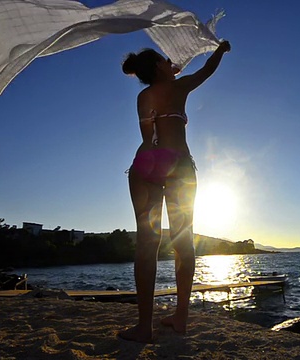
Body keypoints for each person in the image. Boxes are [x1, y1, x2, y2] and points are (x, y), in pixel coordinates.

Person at [118, 40, 231, 343]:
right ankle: (181, 317)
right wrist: (220, 50)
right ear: (158, 66)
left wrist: (167, 73)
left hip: (147, 164)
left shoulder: (144, 95)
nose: (172, 63)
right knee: (183, 242)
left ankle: (144, 327)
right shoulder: (179, 88)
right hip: (179, 165)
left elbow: (148, 136)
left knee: (146, 245)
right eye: (166, 61)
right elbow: (206, 70)